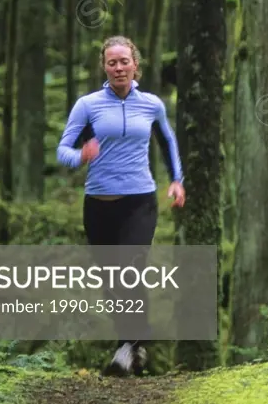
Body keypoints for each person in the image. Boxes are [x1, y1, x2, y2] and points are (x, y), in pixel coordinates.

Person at [56, 35, 186, 376]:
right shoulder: (88, 105)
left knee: (130, 268)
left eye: (124, 61)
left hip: (139, 201)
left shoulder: (152, 105)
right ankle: (133, 345)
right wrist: (80, 155)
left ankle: (127, 347)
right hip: (98, 204)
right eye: (112, 62)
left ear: (135, 65)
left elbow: (167, 140)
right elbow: (62, 150)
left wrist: (177, 180)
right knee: (112, 278)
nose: (118, 68)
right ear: (104, 66)